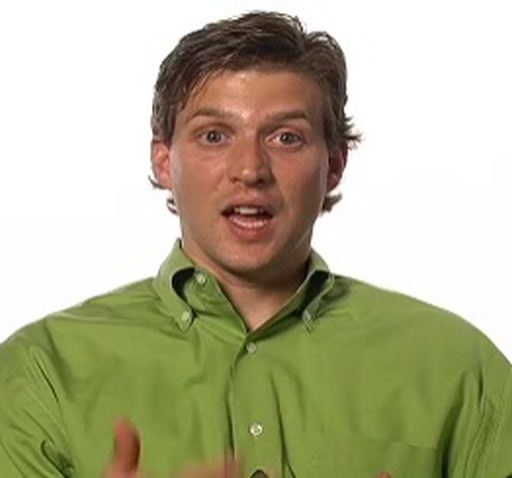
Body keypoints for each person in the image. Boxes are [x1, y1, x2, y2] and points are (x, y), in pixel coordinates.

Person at [0, 10, 510, 478]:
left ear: (334, 164)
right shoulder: (42, 371)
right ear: (164, 161)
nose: (249, 170)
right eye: (214, 136)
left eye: (286, 137)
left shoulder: (460, 368)